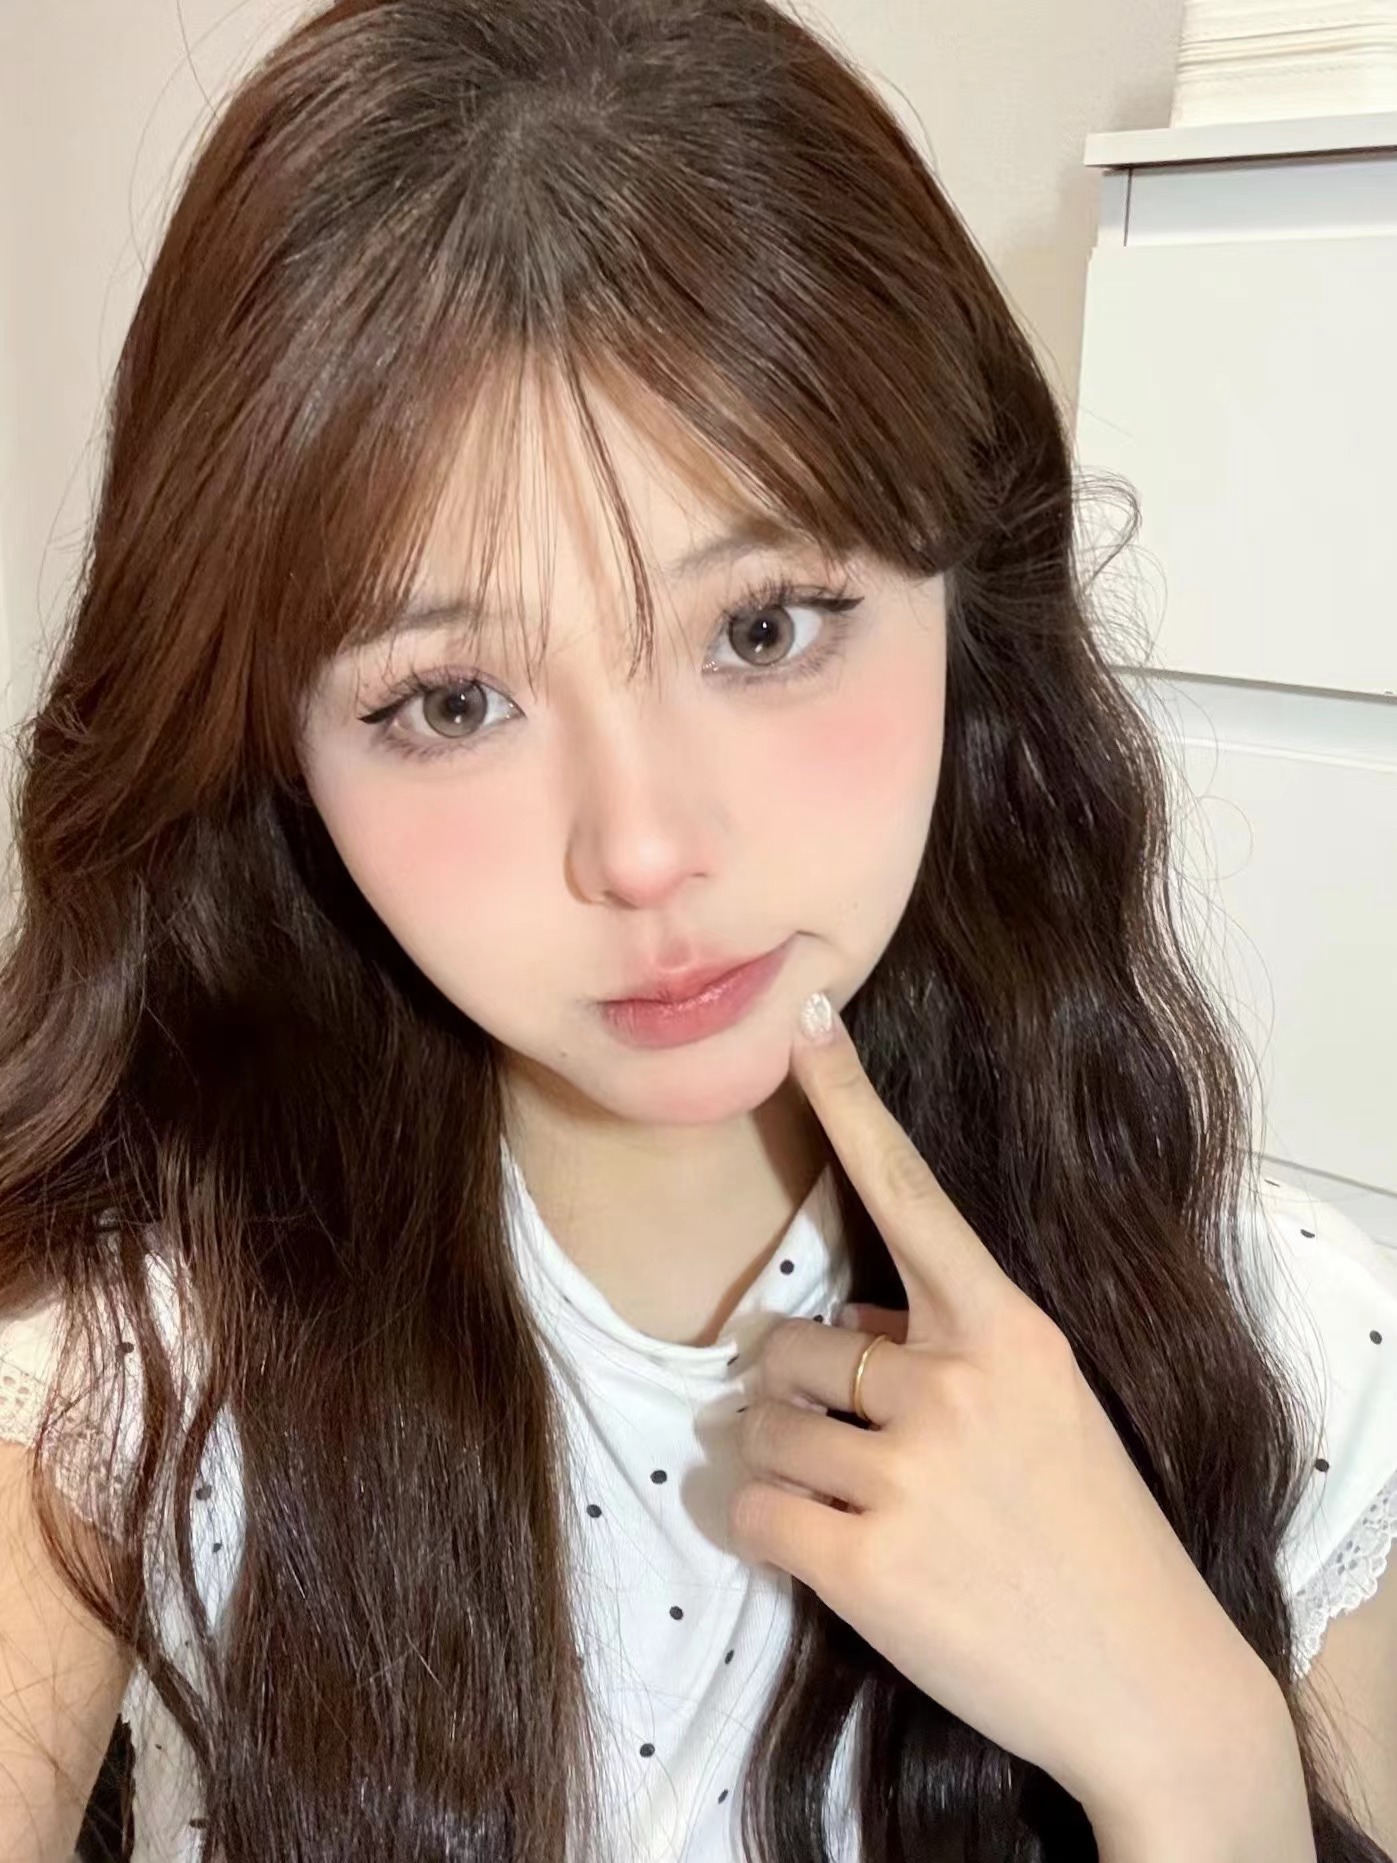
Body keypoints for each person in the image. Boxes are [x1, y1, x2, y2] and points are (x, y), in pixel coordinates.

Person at [1, 1, 1394, 1859]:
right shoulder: (128, 1374)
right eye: (449, 700)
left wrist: (1195, 1759)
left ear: (964, 590)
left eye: (761, 628)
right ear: (277, 756)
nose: (644, 851)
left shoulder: (1272, 1336)